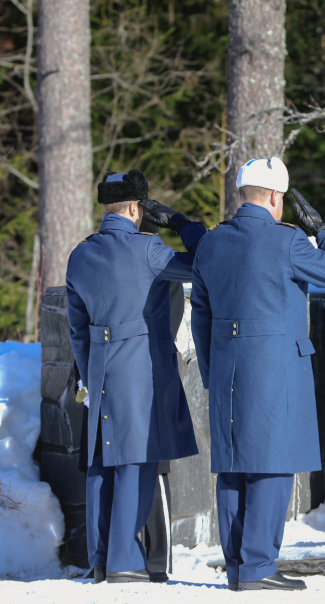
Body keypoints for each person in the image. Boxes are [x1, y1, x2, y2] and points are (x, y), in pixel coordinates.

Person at [191, 157, 325, 591]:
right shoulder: (287, 241)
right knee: (272, 464)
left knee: (233, 466)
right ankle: (260, 567)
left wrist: (212, 372)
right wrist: (322, 230)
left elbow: (201, 315)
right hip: (276, 370)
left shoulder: (211, 243)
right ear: (274, 198)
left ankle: (237, 568)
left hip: (227, 366)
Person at [66, 169, 206, 584]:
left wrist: (89, 373)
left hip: (99, 364)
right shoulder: (147, 249)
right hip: (140, 363)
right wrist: (183, 224)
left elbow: (76, 328)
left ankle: (101, 557)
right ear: (134, 208)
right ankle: (126, 560)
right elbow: (202, 264)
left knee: (101, 461)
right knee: (135, 459)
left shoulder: (80, 253)